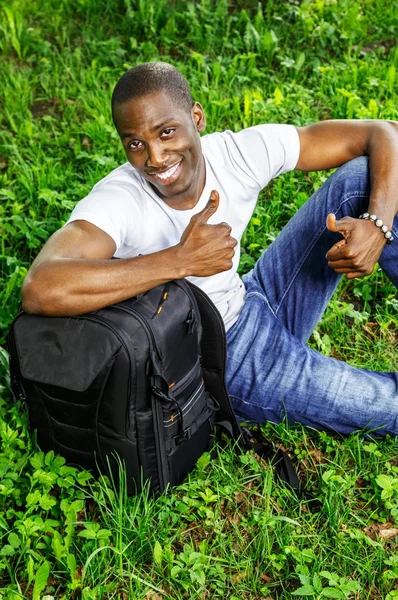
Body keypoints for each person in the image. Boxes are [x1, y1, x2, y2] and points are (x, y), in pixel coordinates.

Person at [22, 62, 398, 436]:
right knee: (387, 405)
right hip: (220, 358)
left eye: (166, 132)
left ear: (197, 117)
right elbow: (42, 286)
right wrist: (178, 260)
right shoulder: (121, 200)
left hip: (255, 298)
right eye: (136, 143)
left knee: (363, 177)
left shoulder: (237, 154)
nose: (154, 158)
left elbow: (384, 133)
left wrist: (377, 225)